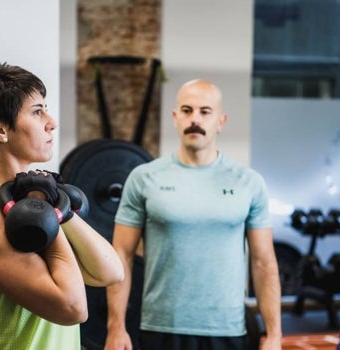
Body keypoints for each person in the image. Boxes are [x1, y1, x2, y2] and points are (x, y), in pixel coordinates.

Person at [0, 62, 124, 349]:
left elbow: (111, 273)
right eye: (37, 111)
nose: (51, 121)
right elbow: (73, 308)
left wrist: (58, 209)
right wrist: (43, 208)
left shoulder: (36, 199)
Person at [104, 79, 282, 350]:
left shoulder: (248, 182)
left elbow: (264, 263)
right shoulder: (144, 178)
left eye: (205, 112)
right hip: (161, 328)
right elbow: (121, 255)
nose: (194, 119)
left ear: (220, 121)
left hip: (227, 330)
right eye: (186, 111)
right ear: (175, 118)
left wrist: (274, 334)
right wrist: (116, 327)